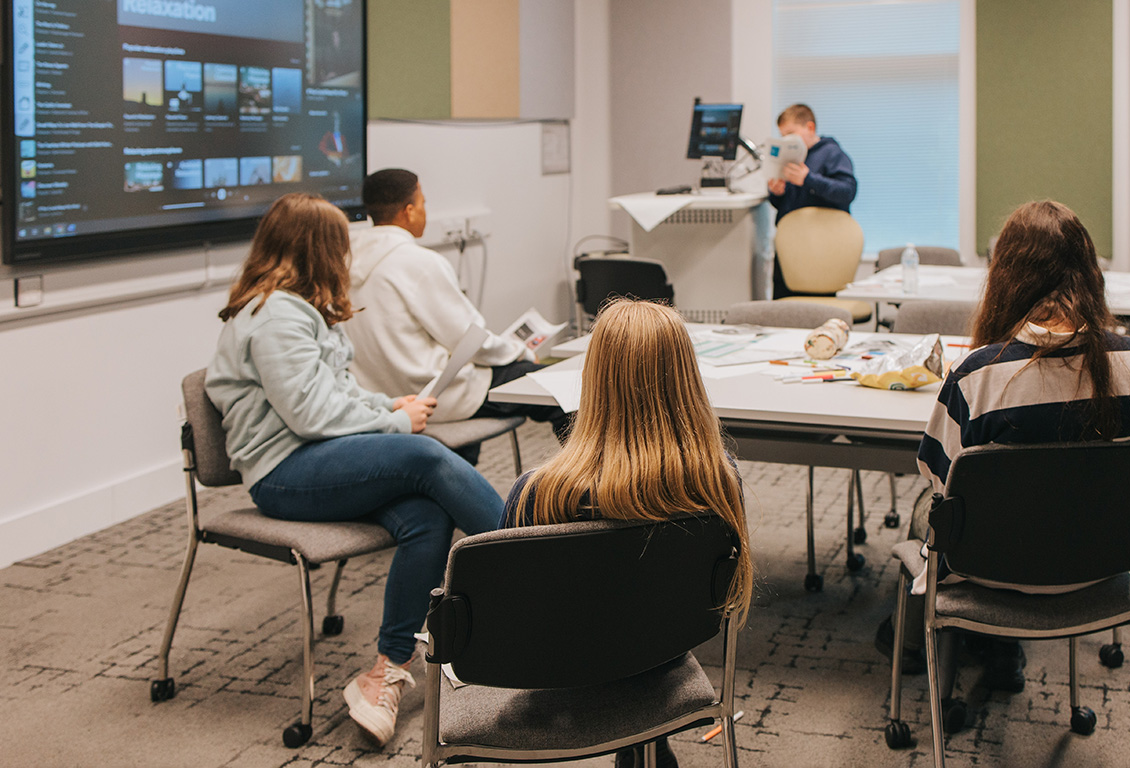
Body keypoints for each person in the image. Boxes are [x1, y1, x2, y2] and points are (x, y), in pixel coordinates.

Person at [204, 192, 505, 747]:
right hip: (284, 473)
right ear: (320, 249)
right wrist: (398, 423)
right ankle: (534, 561)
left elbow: (337, 394)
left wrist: (388, 407)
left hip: (317, 459)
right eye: (341, 246)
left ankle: (385, 672)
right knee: (424, 455)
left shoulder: (301, 309)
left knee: (425, 516)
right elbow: (313, 414)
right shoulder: (274, 315)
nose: (348, 257)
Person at [876, 200, 1130, 691]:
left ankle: (922, 640)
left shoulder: (979, 375)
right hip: (1101, 563)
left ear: (1005, 276)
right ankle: (996, 650)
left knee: (932, 506)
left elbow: (939, 475)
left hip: (993, 571)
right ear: (1092, 272)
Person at [502, 299, 753, 768]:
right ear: (686, 378)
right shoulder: (720, 482)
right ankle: (649, 740)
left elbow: (509, 612)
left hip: (560, 668)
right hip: (661, 651)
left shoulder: (536, 493)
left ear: (593, 379)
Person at [345, 168, 569, 462]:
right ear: (409, 212)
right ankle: (587, 489)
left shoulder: (345, 260)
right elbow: (471, 341)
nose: (425, 211)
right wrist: (520, 352)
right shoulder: (419, 263)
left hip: (379, 395)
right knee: (565, 391)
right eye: (423, 203)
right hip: (433, 394)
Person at [766, 104, 858, 299]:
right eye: (783, 135)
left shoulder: (832, 154)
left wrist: (808, 180)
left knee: (819, 310)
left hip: (821, 252)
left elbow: (847, 191)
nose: (786, 140)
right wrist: (777, 193)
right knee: (784, 309)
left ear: (810, 128)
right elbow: (786, 204)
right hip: (790, 248)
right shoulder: (789, 158)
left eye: (791, 133)